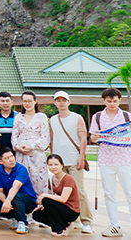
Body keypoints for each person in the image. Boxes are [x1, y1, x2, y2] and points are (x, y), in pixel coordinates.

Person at [89, 87, 131, 239]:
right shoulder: (98, 117)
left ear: (119, 100)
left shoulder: (128, 116)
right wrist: (97, 136)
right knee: (109, 194)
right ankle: (115, 225)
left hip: (125, 160)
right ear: (103, 101)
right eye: (109, 101)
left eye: (114, 101)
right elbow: (93, 138)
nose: (112, 104)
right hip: (106, 160)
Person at [48, 90, 92, 233]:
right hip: (59, 162)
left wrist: (82, 157)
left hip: (74, 159)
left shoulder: (77, 117)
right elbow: (53, 139)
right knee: (61, 191)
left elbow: (83, 138)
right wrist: (52, 158)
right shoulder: (53, 119)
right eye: (58, 100)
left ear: (69, 102)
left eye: (64, 100)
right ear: (54, 102)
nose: (61, 102)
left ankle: (86, 220)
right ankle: (72, 219)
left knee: (78, 190)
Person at [0, 146, 38, 234]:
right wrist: (5, 202)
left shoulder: (21, 169)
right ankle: (16, 217)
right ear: (0, 161)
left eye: (12, 156)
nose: (11, 160)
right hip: (11, 199)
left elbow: (16, 186)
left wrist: (8, 200)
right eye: (7, 158)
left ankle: (23, 223)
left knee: (16, 196)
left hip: (27, 201)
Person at [32, 154, 81, 236]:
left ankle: (58, 229)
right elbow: (51, 196)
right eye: (50, 165)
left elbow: (63, 199)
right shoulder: (51, 179)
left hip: (71, 210)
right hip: (60, 208)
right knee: (37, 214)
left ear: (62, 165)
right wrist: (44, 204)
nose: (53, 167)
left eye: (56, 164)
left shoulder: (68, 179)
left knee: (46, 200)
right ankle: (65, 225)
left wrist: (44, 196)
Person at [12, 90, 49, 194]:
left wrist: (32, 147)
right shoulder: (18, 117)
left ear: (35, 101)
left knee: (39, 180)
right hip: (21, 153)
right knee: (21, 179)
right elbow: (14, 135)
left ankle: (40, 204)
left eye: (29, 101)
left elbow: (45, 136)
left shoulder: (41, 116)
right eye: (25, 101)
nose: (27, 104)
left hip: (36, 154)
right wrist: (17, 147)